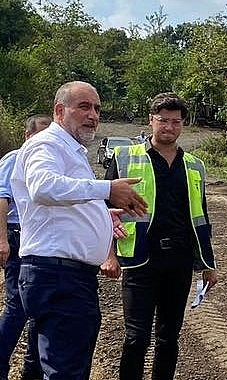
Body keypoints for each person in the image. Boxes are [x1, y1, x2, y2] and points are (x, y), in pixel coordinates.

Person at [10, 81, 147, 380]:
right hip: (59, 276)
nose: (93, 115)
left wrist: (100, 213)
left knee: (48, 366)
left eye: (97, 108)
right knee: (66, 372)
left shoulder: (69, 150)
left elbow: (60, 203)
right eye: (84, 106)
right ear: (60, 111)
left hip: (60, 276)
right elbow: (43, 187)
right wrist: (107, 189)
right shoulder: (48, 144)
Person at [104, 92, 217, 380]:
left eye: (175, 122)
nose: (169, 127)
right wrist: (108, 254)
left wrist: (207, 263)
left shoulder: (194, 165)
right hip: (140, 259)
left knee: (169, 337)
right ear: (151, 121)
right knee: (136, 338)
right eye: (163, 120)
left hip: (178, 261)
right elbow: (103, 210)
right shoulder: (125, 157)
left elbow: (201, 216)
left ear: (183, 124)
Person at [0, 114, 50, 380]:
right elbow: (2, 199)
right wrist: (2, 240)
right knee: (17, 307)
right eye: (40, 135)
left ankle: (33, 370)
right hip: (17, 234)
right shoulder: (15, 158)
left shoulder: (46, 161)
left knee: (38, 308)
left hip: (37, 239)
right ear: (27, 136)